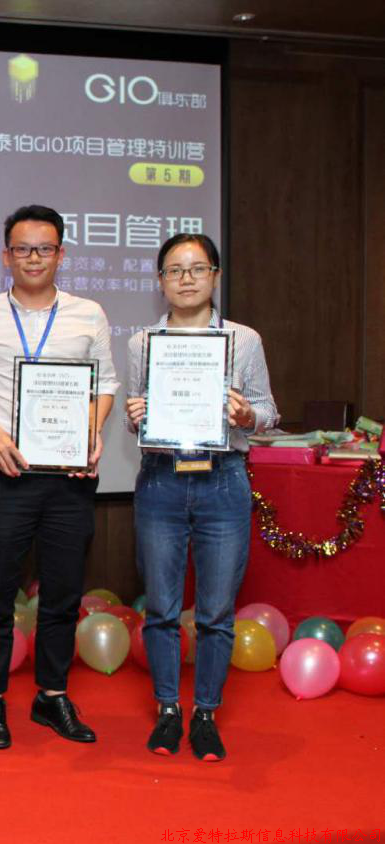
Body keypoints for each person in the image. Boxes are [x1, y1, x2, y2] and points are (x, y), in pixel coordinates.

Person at [0, 204, 119, 751]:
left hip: (69, 475)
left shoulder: (89, 314)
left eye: (44, 248)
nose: (34, 258)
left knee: (63, 593)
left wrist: (90, 432)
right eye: (23, 249)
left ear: (61, 254)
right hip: (6, 473)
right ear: (6, 256)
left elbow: (106, 386)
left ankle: (52, 695)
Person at [125, 233, 277, 761]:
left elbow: (268, 412)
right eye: (174, 270)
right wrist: (136, 417)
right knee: (161, 608)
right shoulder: (142, 343)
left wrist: (247, 415)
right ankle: (168, 709)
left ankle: (206, 713)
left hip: (223, 479)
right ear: (160, 280)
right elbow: (137, 418)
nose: (185, 279)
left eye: (196, 268)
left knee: (215, 612)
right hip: (161, 480)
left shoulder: (243, 340)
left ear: (215, 275)